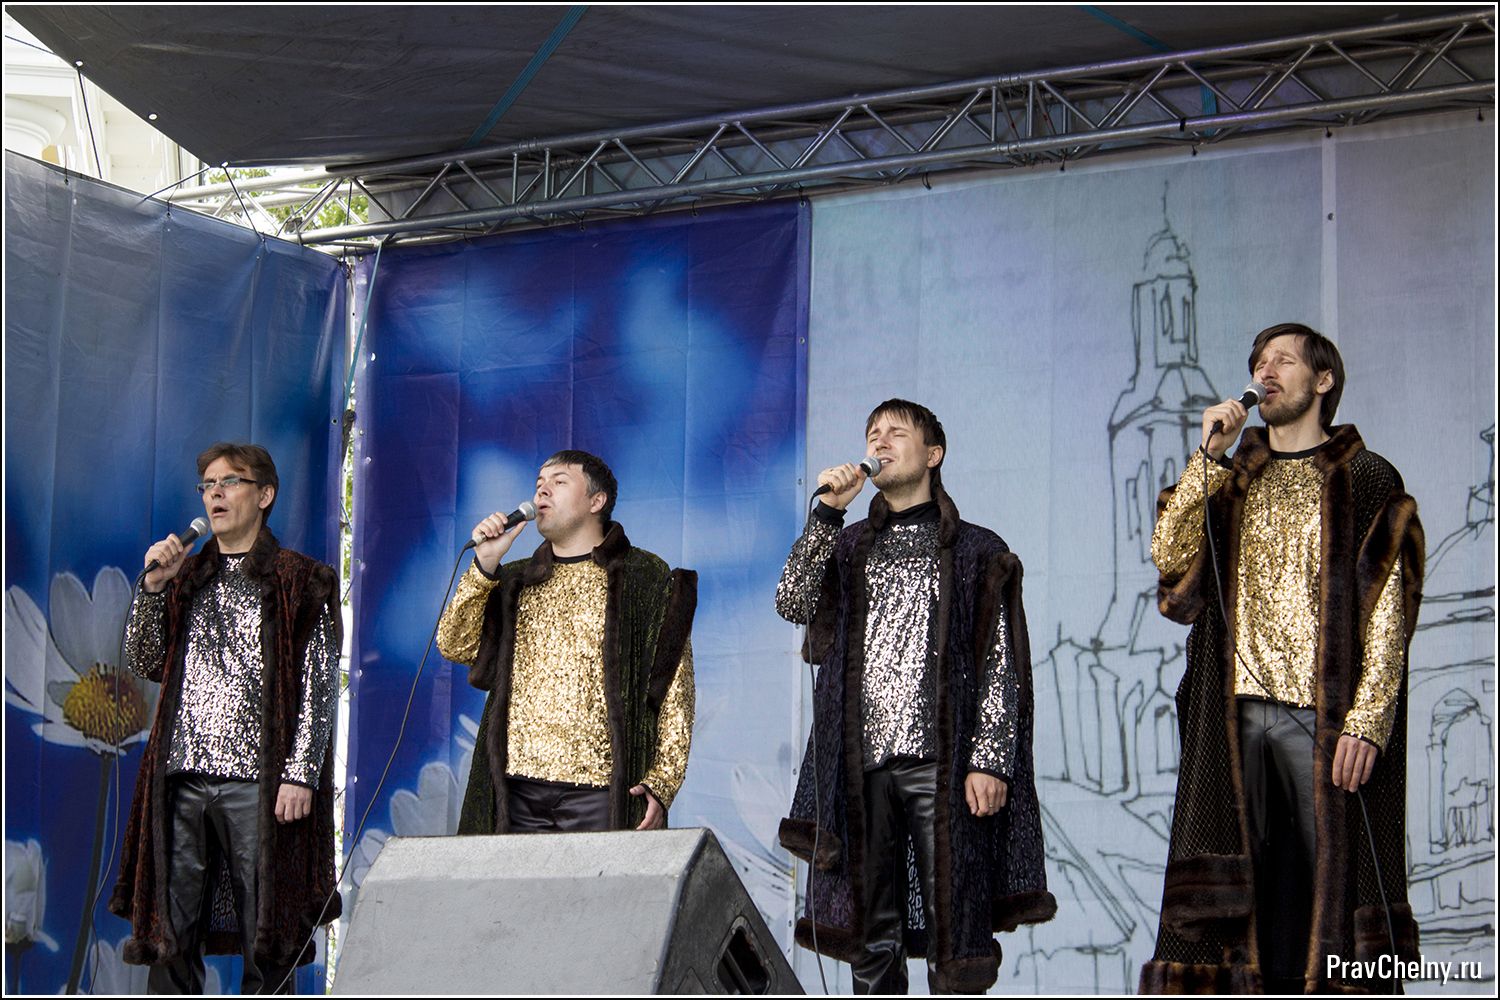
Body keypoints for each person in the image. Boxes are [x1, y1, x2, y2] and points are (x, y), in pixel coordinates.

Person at [1140, 324, 1424, 993]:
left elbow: (1390, 605)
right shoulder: (1230, 479)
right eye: (1258, 362)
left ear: (1323, 381)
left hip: (1321, 722)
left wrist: (1368, 719)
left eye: (1283, 361)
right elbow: (1169, 561)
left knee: (1328, 897)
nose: (1265, 372)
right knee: (1244, 911)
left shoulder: (1366, 476)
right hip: (1234, 721)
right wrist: (1206, 459)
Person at [775, 399, 1055, 995]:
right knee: (871, 934)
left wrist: (990, 759)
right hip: (862, 766)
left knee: (955, 931)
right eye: (872, 433)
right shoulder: (848, 543)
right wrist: (826, 513)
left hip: (943, 766)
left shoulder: (977, 548)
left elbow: (1001, 662)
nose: (879, 441)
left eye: (896, 433)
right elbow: (793, 601)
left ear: (933, 454)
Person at [111, 443, 341, 994]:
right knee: (170, 934)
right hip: (181, 778)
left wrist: (301, 772)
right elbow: (144, 659)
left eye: (230, 481)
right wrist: (153, 589)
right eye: (208, 485)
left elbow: (319, 685)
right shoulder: (185, 577)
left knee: (268, 934)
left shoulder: (300, 578)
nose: (215, 493)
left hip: (260, 784)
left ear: (264, 495)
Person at [436, 449, 696, 834]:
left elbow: (674, 684)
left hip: (603, 793)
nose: (542, 492)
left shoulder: (644, 575)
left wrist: (664, 780)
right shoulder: (513, 580)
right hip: (515, 790)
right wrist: (484, 566)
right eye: (539, 484)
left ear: (596, 501)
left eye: (558, 482)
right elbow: (454, 645)